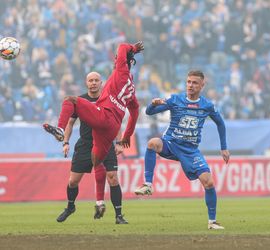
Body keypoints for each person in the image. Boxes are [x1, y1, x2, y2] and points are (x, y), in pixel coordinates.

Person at [134, 70, 230, 230]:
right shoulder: (175, 99)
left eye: (194, 83)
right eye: (188, 82)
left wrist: (224, 147)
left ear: (202, 85)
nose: (190, 85)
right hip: (171, 144)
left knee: (209, 182)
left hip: (190, 151)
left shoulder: (207, 105)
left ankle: (212, 222)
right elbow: (149, 112)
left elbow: (220, 123)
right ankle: (148, 184)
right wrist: (153, 104)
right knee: (152, 143)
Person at [43, 41, 143, 180]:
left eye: (117, 58)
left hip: (103, 115)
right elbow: (135, 113)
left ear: (124, 62)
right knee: (96, 161)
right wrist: (127, 135)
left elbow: (122, 46)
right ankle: (101, 201)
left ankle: (60, 129)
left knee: (70, 99)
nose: (115, 60)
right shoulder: (132, 90)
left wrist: (132, 49)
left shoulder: (121, 70)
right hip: (113, 128)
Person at [56, 72, 128, 224]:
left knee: (113, 177)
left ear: (101, 83)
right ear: (86, 83)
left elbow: (117, 122)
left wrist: (119, 142)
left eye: (96, 80)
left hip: (105, 142)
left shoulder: (109, 100)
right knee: (73, 181)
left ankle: (119, 215)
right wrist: (66, 142)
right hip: (85, 144)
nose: (93, 83)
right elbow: (70, 123)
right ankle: (70, 207)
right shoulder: (80, 100)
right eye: (91, 80)